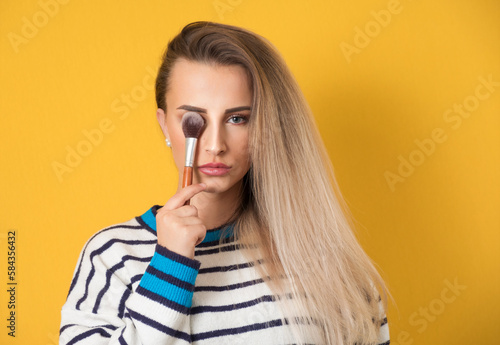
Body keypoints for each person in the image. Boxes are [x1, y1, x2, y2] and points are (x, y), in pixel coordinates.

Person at [60, 21, 391, 345]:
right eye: (195, 118)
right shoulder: (112, 256)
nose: (215, 144)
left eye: (237, 118)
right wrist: (170, 262)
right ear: (164, 126)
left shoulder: (324, 259)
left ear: (265, 126)